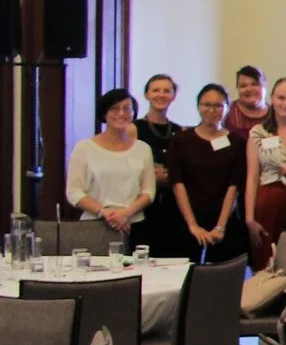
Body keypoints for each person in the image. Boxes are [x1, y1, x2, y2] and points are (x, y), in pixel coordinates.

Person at [168, 84, 246, 264]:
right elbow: (178, 183)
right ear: (198, 106)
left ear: (227, 107)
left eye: (218, 105)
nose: (212, 110)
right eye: (206, 104)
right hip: (187, 219)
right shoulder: (181, 140)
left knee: (224, 275)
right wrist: (192, 225)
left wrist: (220, 226)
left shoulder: (237, 142)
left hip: (225, 221)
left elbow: (234, 185)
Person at [66, 89, 154, 238]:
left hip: (134, 224)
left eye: (127, 108)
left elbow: (148, 192)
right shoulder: (84, 148)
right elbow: (74, 192)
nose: (121, 113)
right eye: (114, 108)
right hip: (95, 224)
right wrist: (105, 212)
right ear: (104, 113)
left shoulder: (143, 149)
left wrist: (126, 214)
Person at [241, 76, 286, 272]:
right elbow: (252, 177)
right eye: (281, 98)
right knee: (265, 266)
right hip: (267, 205)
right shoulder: (258, 133)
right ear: (272, 99)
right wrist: (249, 218)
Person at [134, 73, 185, 258]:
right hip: (141, 204)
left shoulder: (180, 132)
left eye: (166, 91)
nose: (161, 95)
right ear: (147, 94)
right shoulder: (134, 128)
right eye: (156, 90)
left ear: (173, 96)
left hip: (172, 205)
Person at [226, 66, 270, 138]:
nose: (249, 89)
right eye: (243, 86)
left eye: (254, 84)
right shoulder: (227, 111)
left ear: (265, 86)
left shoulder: (276, 114)